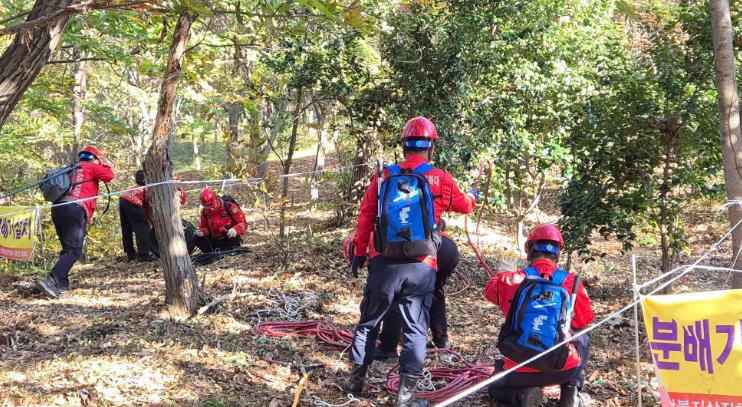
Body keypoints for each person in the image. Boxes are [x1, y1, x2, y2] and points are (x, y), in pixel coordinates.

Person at [345, 116, 477, 407]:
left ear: (404, 145)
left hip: (384, 263)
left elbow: (366, 216)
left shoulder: (384, 176)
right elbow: (465, 206)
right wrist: (473, 195)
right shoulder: (440, 178)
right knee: (415, 328)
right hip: (422, 265)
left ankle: (355, 382)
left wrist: (359, 252)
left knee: (369, 321)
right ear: (431, 147)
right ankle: (406, 397)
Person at [484, 224, 595, 407]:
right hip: (562, 368)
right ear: (557, 253)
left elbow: (489, 291)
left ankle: (522, 395)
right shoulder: (571, 281)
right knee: (583, 333)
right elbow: (585, 319)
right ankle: (571, 392)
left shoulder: (513, 279)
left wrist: (504, 272)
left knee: (495, 387)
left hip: (519, 368)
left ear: (529, 250)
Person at [38, 146, 115, 298]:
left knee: (68, 248)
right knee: (74, 251)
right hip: (75, 209)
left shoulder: (70, 169)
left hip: (58, 209)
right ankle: (52, 280)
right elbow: (109, 175)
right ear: (94, 158)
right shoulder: (90, 167)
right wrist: (101, 163)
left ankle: (62, 282)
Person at [193, 188, 247, 253]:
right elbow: (204, 227)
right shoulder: (205, 212)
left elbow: (243, 223)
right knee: (196, 238)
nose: (209, 208)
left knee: (228, 230)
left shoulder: (229, 206)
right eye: (206, 206)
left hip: (229, 238)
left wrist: (235, 230)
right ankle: (210, 253)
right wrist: (202, 232)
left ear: (215, 199)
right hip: (214, 240)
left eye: (210, 205)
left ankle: (230, 250)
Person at [119, 170, 157, 262]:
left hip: (123, 198)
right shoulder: (149, 189)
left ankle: (130, 253)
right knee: (143, 227)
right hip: (133, 202)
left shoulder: (136, 187)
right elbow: (148, 209)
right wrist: (151, 222)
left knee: (126, 227)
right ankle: (144, 255)